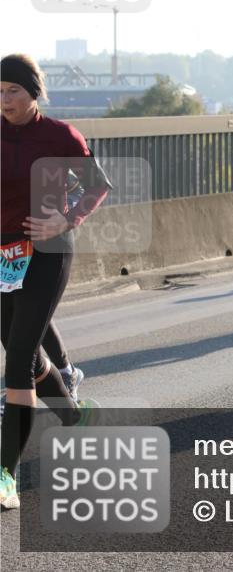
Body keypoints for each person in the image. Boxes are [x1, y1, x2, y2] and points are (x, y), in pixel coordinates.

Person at [1, 53, 112, 509]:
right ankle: (74, 415)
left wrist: (66, 220)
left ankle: (6, 472)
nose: (4, 100)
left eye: (13, 91)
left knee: (20, 356)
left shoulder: (59, 135)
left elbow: (97, 185)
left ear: (34, 93)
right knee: (16, 344)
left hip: (47, 250)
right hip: (4, 253)